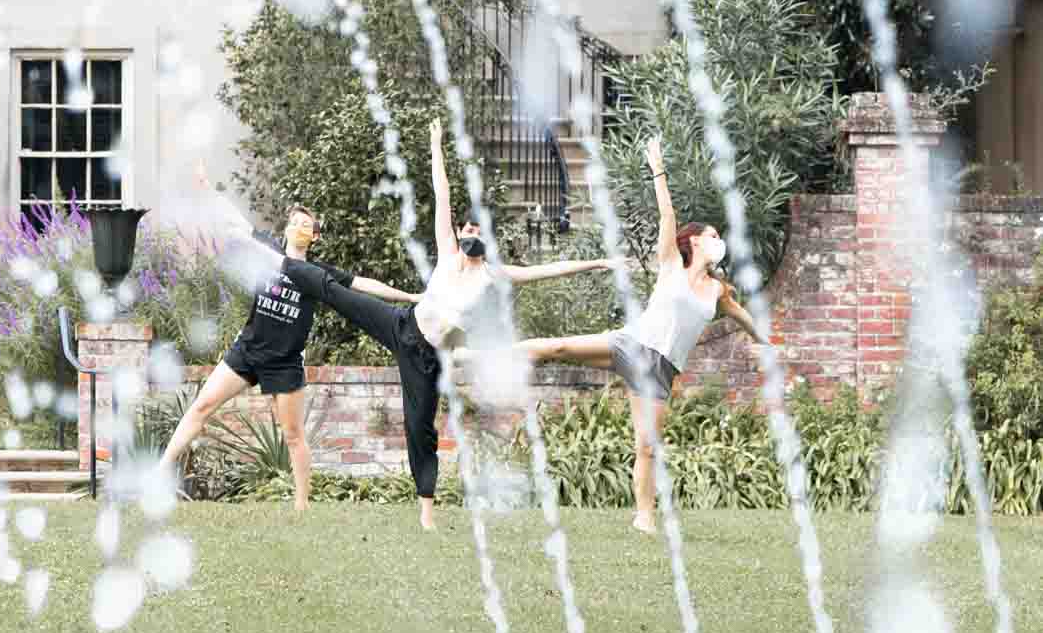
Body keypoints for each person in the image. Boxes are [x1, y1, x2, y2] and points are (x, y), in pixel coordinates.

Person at [302, 119, 617, 529]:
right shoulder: (448, 251)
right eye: (467, 227)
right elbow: (442, 193)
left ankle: (426, 512)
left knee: (421, 428)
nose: (470, 233)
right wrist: (435, 143)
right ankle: (296, 268)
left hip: (428, 358)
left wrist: (598, 262)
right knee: (345, 296)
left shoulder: (493, 274)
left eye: (477, 229)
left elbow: (550, 270)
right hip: (402, 324)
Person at [501, 135, 765, 533]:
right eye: (712, 236)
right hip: (633, 344)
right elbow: (667, 218)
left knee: (646, 446)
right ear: (695, 239)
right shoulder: (671, 262)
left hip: (659, 369)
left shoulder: (717, 290)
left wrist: (765, 342)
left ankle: (644, 517)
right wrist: (658, 168)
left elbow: (744, 317)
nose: (718, 241)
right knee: (559, 346)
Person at [159, 175, 419, 509]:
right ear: (285, 229)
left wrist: (410, 295)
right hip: (248, 351)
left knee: (294, 436)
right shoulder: (267, 249)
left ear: (314, 236)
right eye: (294, 222)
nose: (298, 226)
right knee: (202, 406)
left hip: (284, 362)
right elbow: (232, 219)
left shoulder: (318, 274)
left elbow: (363, 285)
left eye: (305, 224)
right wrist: (208, 189)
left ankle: (301, 505)